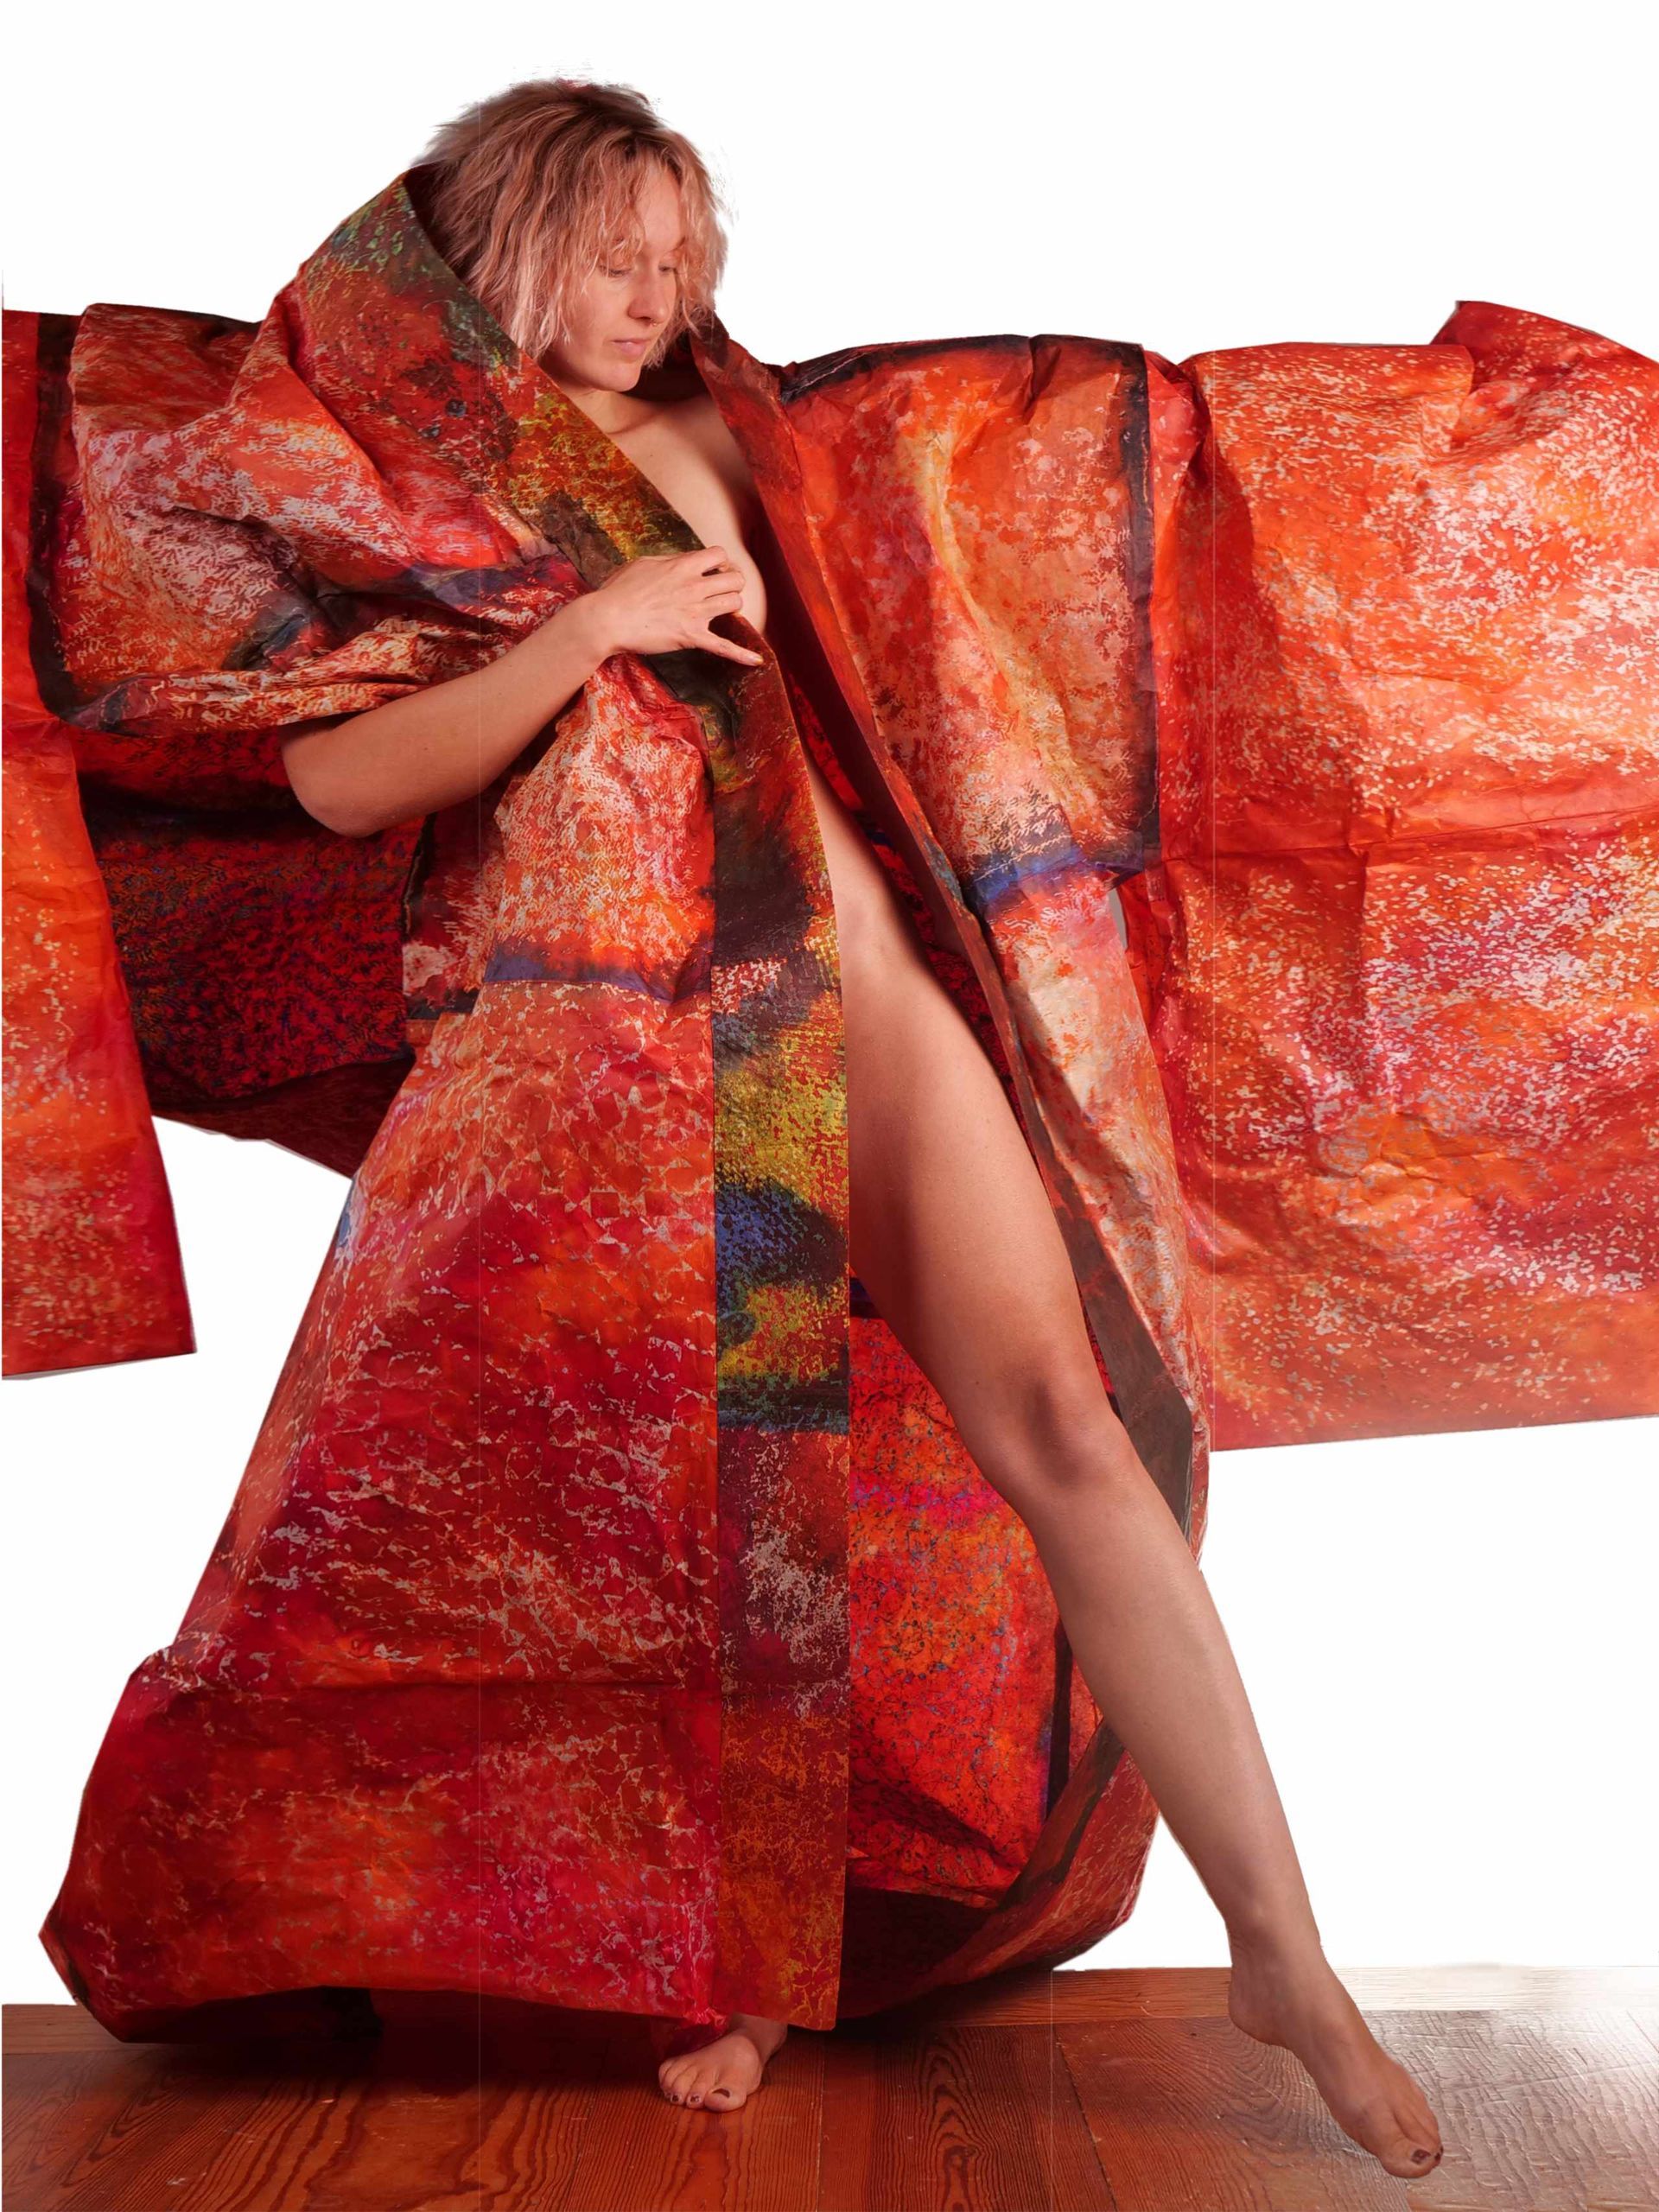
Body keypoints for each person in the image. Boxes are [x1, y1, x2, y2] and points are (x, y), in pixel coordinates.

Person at [277, 78, 1444, 2177]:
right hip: (609, 1045)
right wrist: (594, 625)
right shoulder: (416, 491)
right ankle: (743, 1962)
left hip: (852, 998)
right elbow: (337, 784)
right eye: (615, 254)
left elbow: (1033, 517)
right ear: (504, 244)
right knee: (704, 1513)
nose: (658, 293)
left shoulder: (749, 434)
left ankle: (1284, 1947)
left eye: (681, 256)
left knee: (1068, 1432)